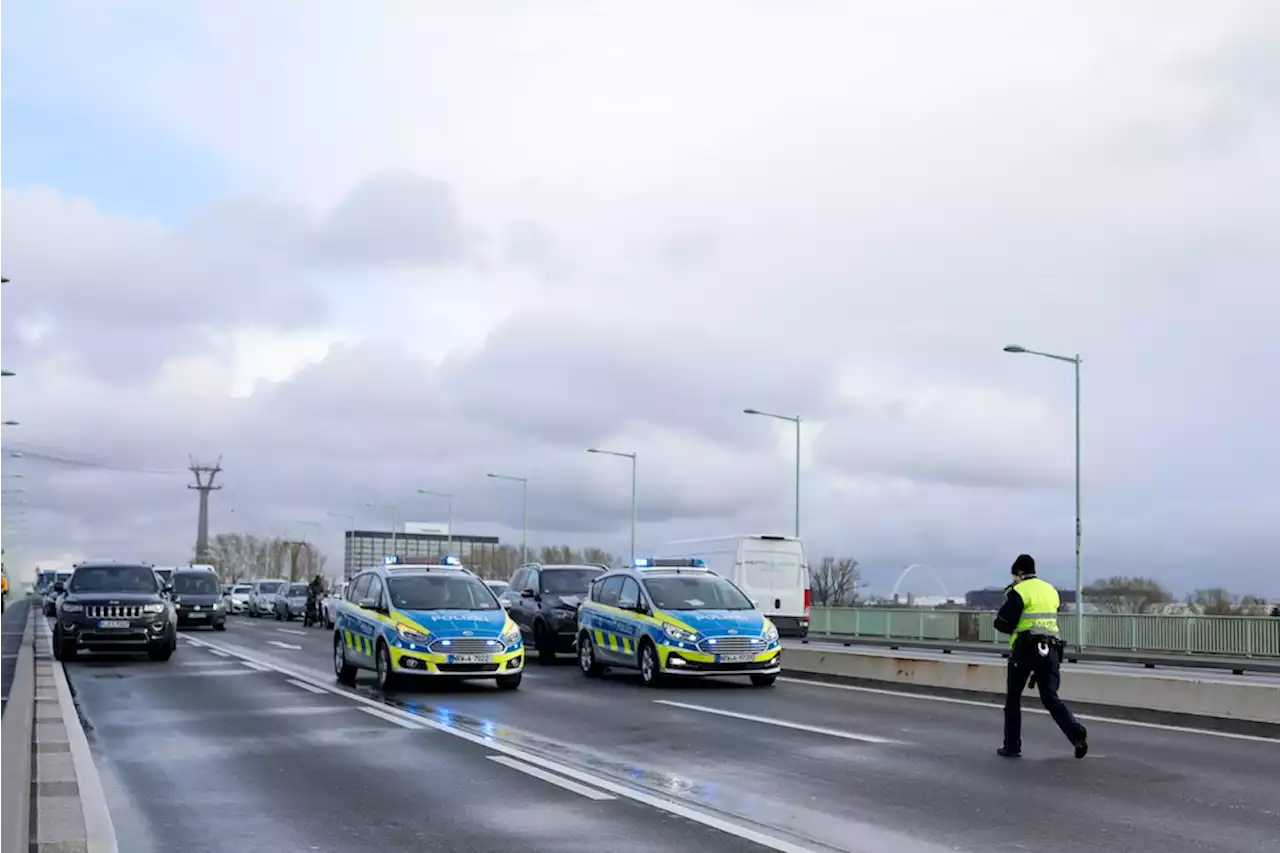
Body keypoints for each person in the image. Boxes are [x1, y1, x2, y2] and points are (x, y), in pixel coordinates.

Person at [992, 554, 1088, 759]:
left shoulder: (1018, 591)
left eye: (1014, 576)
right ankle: (1075, 731)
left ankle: (1012, 746)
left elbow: (1003, 623)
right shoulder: (1051, 590)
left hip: (1026, 648)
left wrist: (1001, 621)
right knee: (1050, 697)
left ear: (1019, 573)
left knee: (1014, 698)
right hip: (1051, 649)